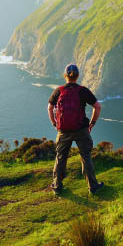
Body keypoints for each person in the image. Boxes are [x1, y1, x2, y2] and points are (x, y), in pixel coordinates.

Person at [48, 63, 105, 195]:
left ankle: (57, 186)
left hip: (63, 131)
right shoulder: (83, 90)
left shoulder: (59, 90)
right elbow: (98, 107)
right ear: (78, 76)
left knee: (61, 157)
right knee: (86, 156)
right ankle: (93, 186)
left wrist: (54, 124)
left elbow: (50, 107)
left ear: (65, 76)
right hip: (81, 130)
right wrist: (92, 123)